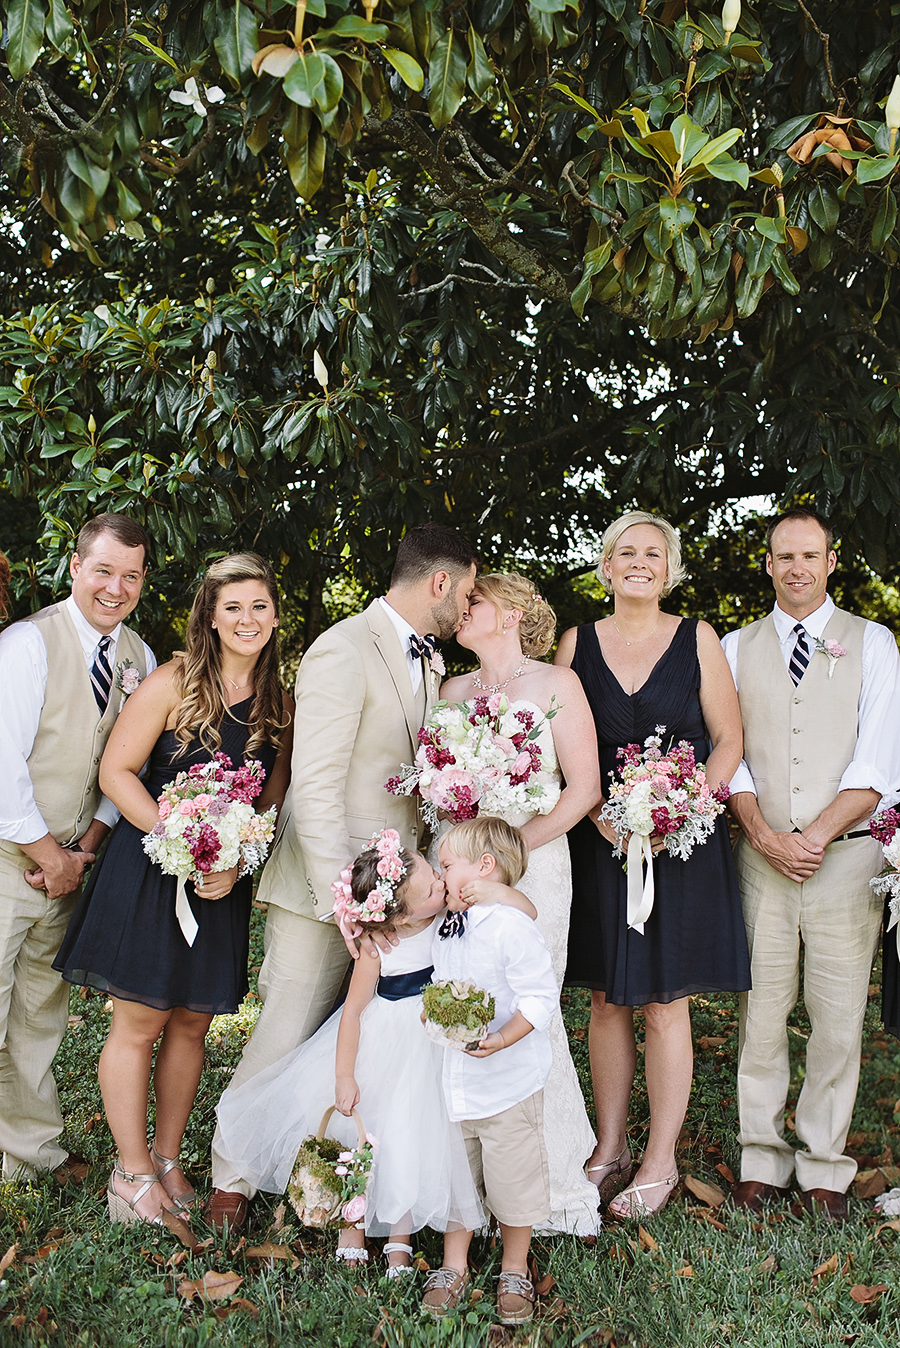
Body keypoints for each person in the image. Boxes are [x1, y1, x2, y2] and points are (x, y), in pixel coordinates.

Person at [206, 523, 479, 1230]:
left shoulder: (429, 665)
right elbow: (316, 788)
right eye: (468, 590)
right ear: (440, 583)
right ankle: (231, 1178)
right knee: (286, 1029)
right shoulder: (342, 648)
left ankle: (335, 1180)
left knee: (361, 1042)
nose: (467, 606)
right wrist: (351, 903)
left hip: (402, 899)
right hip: (324, 890)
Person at [53, 553, 292, 1226]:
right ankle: (128, 1175)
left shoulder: (280, 703)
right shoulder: (174, 681)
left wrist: (237, 858)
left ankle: (164, 1157)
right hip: (154, 870)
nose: (248, 619)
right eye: (233, 608)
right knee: (140, 1022)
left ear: (275, 616)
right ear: (211, 619)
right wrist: (184, 835)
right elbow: (117, 771)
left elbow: (272, 799)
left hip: (220, 885)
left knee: (191, 1023)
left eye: (259, 607)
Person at [556, 510, 750, 1219]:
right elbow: (555, 739)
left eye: (653, 554)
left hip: (681, 846)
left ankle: (660, 1161)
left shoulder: (698, 638)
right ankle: (607, 1147)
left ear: (670, 570)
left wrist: (684, 809)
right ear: (605, 567)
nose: (639, 563)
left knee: (668, 1003)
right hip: (601, 841)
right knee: (606, 997)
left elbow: (728, 740)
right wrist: (603, 812)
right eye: (625, 553)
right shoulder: (574, 642)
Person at [721, 507, 900, 1222]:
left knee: (837, 1021)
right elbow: (726, 755)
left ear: (831, 562)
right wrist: (763, 832)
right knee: (759, 1016)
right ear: (768, 564)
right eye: (783, 556)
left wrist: (817, 835)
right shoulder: (735, 647)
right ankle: (760, 1157)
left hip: (846, 862)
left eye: (810, 555)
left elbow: (880, 760)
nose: (797, 567)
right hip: (761, 859)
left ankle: (824, 1161)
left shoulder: (875, 643)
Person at [215, 830, 492, 1274]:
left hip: (427, 1051)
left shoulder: (450, 921)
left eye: (436, 874)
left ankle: (400, 1239)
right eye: (432, 888)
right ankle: (353, 1226)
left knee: (409, 1140)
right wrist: (344, 1075)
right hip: (381, 1045)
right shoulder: (378, 949)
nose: (442, 883)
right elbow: (352, 1013)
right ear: (398, 919)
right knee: (361, 1141)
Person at [438, 573, 602, 1234]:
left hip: (535, 868)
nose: (459, 608)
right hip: (460, 872)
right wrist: (460, 857)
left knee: (529, 1007)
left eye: (473, 600)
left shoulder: (557, 685)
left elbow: (583, 788)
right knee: (465, 999)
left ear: (510, 614)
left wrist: (510, 854)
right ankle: (465, 1184)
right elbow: (439, 784)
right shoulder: (451, 692)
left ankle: (550, 1184)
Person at [0, 514, 153, 1182]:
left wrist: (84, 846)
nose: (115, 588)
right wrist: (45, 853)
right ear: (74, 566)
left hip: (69, 866)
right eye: (103, 570)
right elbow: (2, 763)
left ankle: (27, 1154)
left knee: (39, 1016)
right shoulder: (27, 645)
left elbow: (123, 766)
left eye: (130, 575)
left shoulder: (139, 660)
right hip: (11, 860)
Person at [423, 816, 558, 1328]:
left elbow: (539, 996)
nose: (440, 875)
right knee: (459, 1173)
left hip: (508, 1085)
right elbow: (440, 980)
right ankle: (453, 1263)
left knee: (512, 1178)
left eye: (448, 864)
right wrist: (432, 1008)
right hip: (457, 1080)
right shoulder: (448, 926)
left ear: (485, 869)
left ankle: (514, 1265)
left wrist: (502, 1037)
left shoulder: (509, 927)